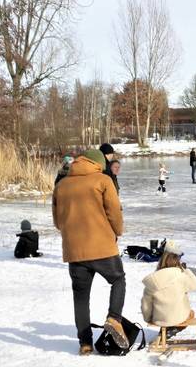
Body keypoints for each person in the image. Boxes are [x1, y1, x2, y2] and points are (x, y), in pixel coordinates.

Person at [52, 149, 127, 355]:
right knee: (118, 280)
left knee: (81, 297)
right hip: (102, 246)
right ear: (98, 163)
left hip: (75, 251)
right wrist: (117, 232)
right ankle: (114, 318)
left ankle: (85, 343)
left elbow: (58, 222)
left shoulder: (61, 185)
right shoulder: (103, 180)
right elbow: (114, 212)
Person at [141, 240, 196, 329]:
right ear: (177, 260)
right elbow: (195, 285)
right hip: (178, 318)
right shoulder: (181, 275)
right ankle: (173, 329)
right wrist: (187, 271)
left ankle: (165, 329)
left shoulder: (154, 278)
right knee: (191, 313)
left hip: (159, 319)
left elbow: (146, 304)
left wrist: (148, 319)